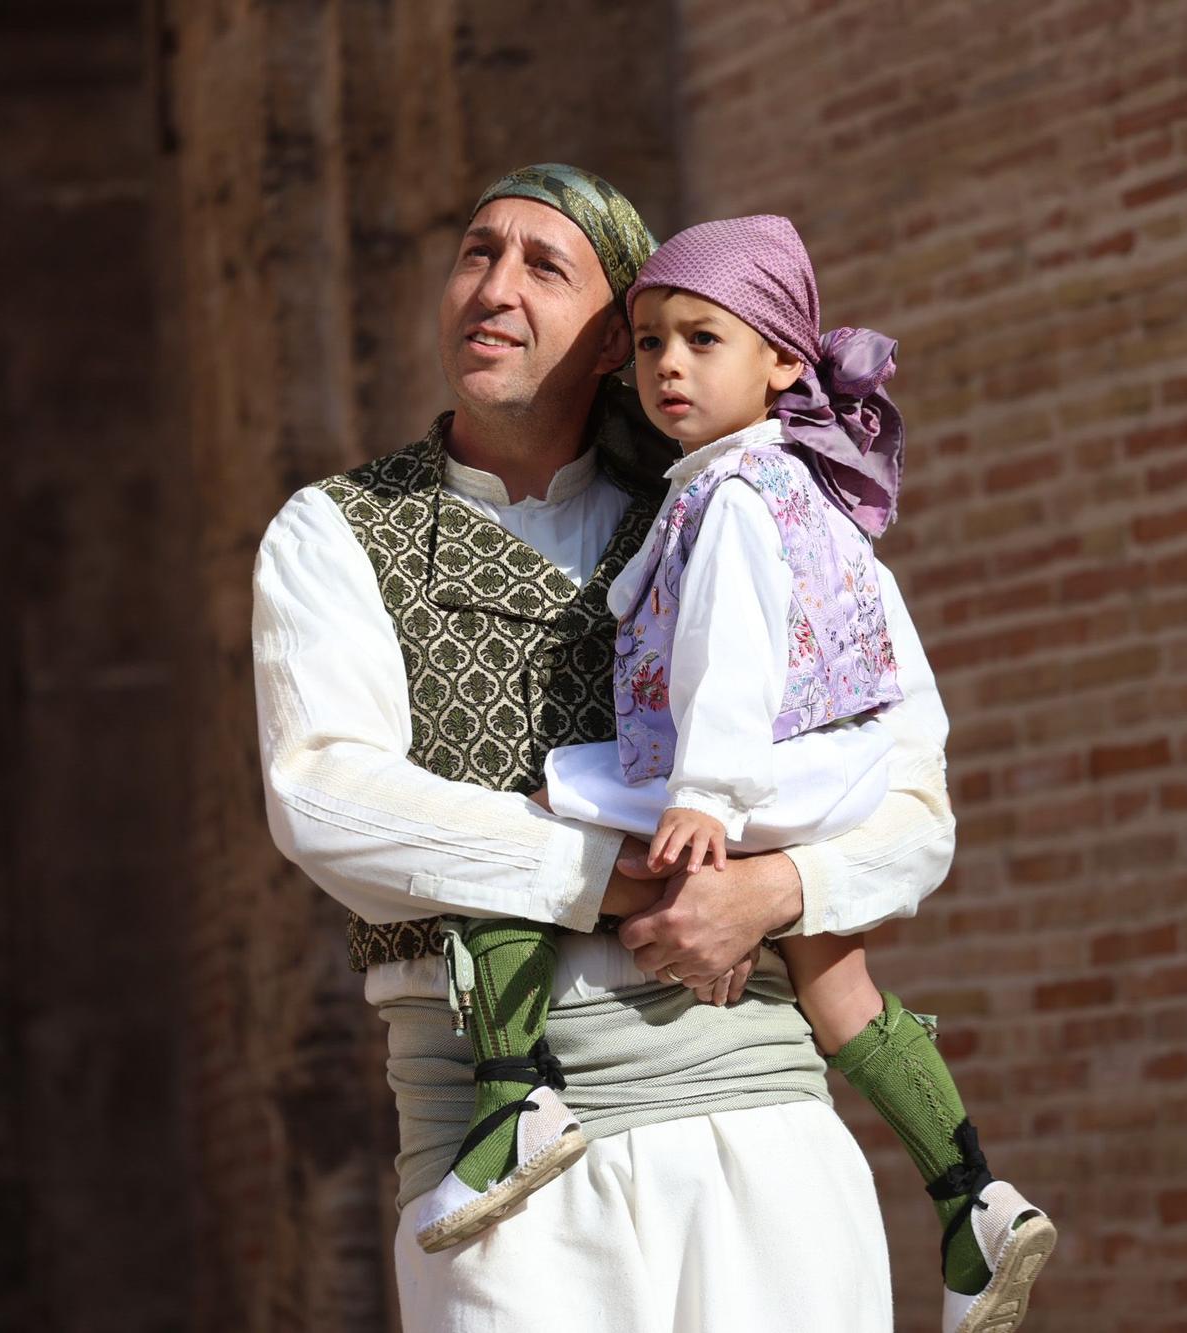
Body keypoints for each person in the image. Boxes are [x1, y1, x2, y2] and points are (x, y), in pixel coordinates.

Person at [254, 163, 954, 1330]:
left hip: (754, 1139)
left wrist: (773, 890)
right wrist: (603, 876)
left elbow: (913, 801)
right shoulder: (335, 535)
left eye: (543, 265)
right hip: (498, 1187)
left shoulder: (755, 506)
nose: (492, 287)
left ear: (611, 342)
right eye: (476, 252)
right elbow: (323, 795)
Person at [423, 214, 1056, 1332]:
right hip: (824, 774)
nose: (669, 365)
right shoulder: (811, 485)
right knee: (833, 983)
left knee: (517, 823)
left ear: (779, 359)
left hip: (736, 773)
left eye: (702, 340)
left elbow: (726, 658)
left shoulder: (729, 497)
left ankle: (512, 1098)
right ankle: (972, 1199)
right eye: (653, 340)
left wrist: (704, 803)